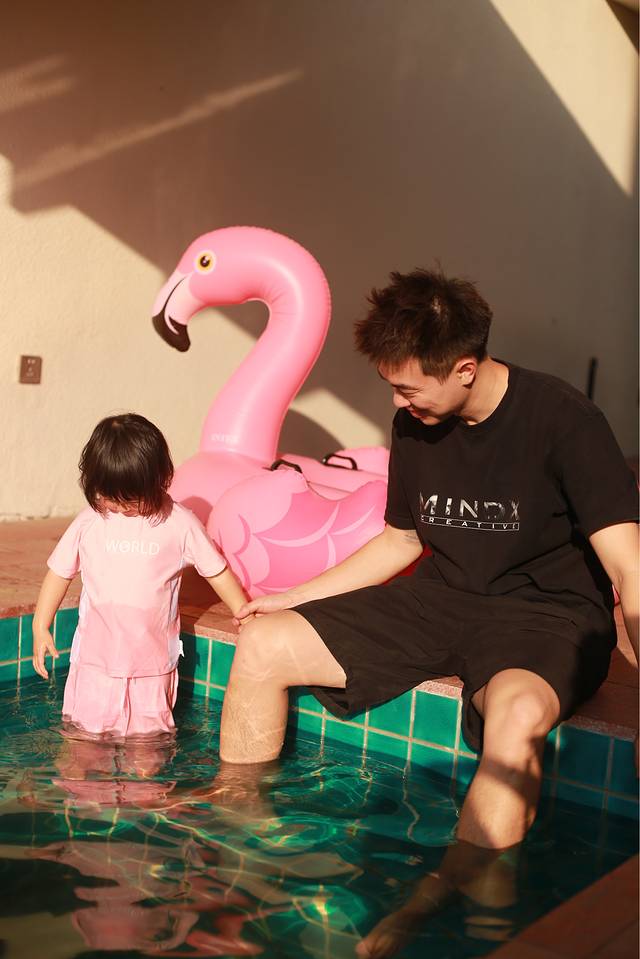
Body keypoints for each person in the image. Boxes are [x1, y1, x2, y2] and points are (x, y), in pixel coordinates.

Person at [219, 268, 639, 952]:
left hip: (547, 615)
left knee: (517, 718)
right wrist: (294, 597)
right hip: (439, 598)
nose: (397, 401)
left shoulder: (565, 420)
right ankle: (240, 838)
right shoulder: (415, 422)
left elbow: (628, 566)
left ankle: (442, 901)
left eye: (408, 387)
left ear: (465, 368)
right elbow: (402, 540)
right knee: (264, 644)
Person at [32, 413, 250, 738]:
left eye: (131, 500)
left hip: (153, 667)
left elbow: (216, 571)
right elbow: (59, 573)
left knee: (147, 749)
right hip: (94, 664)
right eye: (109, 498)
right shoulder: (90, 521)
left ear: (160, 479)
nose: (121, 508)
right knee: (82, 744)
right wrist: (40, 625)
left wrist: (242, 612)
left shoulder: (179, 523)